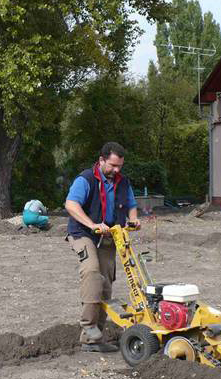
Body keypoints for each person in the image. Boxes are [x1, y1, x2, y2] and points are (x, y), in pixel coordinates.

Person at [64, 142, 139, 353]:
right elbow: (71, 204)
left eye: (120, 166)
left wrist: (133, 220)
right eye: (113, 165)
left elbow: (131, 205)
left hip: (108, 236)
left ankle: (92, 341)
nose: (116, 170)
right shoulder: (86, 179)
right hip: (83, 234)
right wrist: (92, 224)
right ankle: (88, 327)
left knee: (106, 283)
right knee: (92, 272)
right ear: (102, 160)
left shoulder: (123, 182)